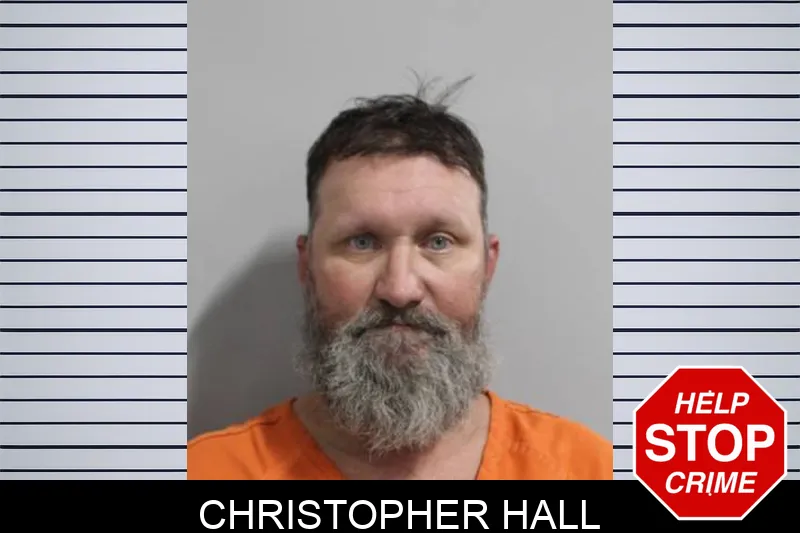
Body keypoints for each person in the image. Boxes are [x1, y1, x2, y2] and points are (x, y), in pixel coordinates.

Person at [188, 78, 612, 480]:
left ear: (488, 266)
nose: (400, 289)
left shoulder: (589, 470)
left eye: (439, 242)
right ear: (307, 266)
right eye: (362, 242)